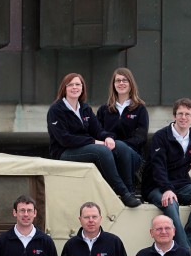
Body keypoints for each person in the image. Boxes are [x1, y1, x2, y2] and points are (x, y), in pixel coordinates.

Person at [47, 72, 140, 207]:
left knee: (119, 146)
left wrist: (108, 137)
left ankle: (130, 191)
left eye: (78, 84)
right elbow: (64, 139)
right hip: (64, 151)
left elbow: (97, 130)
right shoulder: (56, 110)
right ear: (64, 88)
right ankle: (123, 193)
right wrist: (93, 141)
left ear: (82, 88)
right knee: (102, 151)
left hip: (84, 147)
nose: (75, 87)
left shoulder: (85, 108)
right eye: (70, 85)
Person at [141, 98, 191, 249]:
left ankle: (185, 245)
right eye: (180, 114)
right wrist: (167, 189)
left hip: (181, 184)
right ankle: (185, 252)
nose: (184, 117)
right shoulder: (160, 137)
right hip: (156, 186)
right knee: (171, 203)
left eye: (188, 114)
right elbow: (158, 167)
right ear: (174, 116)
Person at [96, 67, 149, 187]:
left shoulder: (140, 109)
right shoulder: (104, 110)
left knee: (121, 147)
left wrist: (118, 145)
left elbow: (141, 137)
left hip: (133, 155)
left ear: (131, 84)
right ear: (113, 85)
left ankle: (129, 190)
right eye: (118, 80)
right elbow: (97, 131)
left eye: (125, 80)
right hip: (108, 153)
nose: (121, 83)